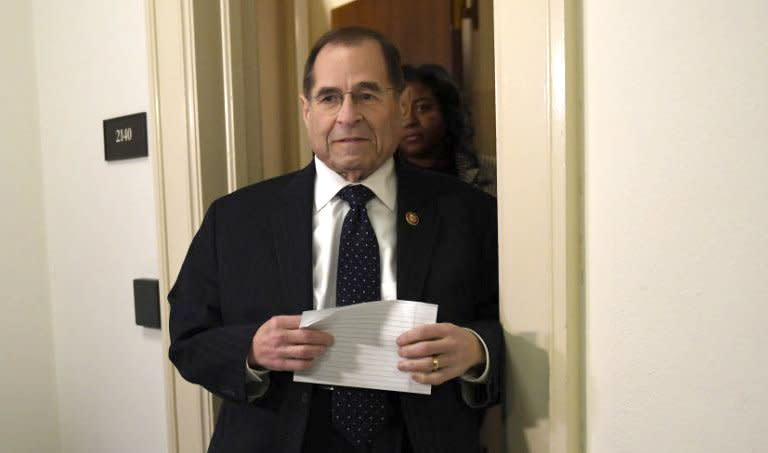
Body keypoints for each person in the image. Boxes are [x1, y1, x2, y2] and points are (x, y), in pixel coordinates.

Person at [168, 26, 501, 453]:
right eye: (329, 98)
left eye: (366, 95)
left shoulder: (468, 212)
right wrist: (251, 349)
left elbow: (517, 333)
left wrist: (476, 349)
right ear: (307, 111)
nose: (347, 116)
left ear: (399, 106)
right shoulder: (235, 219)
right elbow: (188, 339)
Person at [398, 64, 495, 194]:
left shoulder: (493, 173)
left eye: (422, 108)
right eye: (399, 110)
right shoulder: (376, 181)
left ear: (447, 112)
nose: (409, 121)